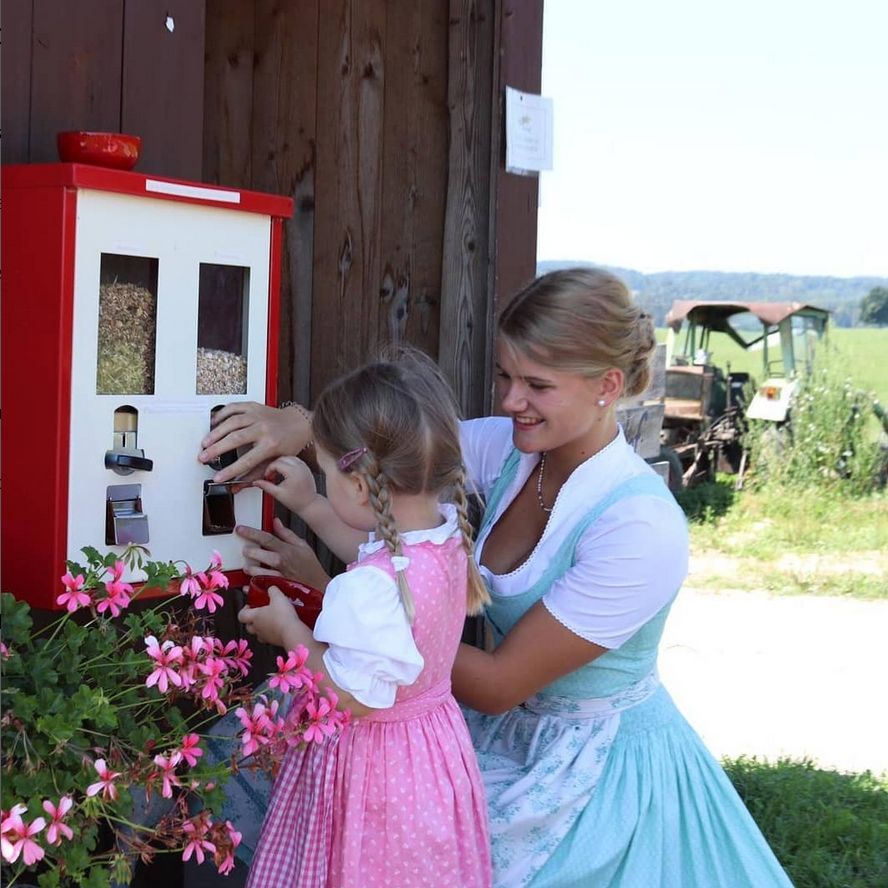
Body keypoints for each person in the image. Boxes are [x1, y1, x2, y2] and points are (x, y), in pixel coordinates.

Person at [201, 268, 793, 887]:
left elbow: (497, 684)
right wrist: (293, 424)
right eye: (505, 376)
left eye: (537, 385)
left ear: (607, 386)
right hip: (480, 725)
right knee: (268, 739)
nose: (510, 401)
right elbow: (389, 444)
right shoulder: (510, 449)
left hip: (591, 761)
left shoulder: (640, 528)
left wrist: (335, 602)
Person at [235, 350, 492, 888]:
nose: (325, 482)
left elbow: (348, 696)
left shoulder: (370, 587)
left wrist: (289, 632)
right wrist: (309, 505)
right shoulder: (442, 537)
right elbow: (374, 550)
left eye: (325, 473)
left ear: (358, 485)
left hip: (373, 766)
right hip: (429, 755)